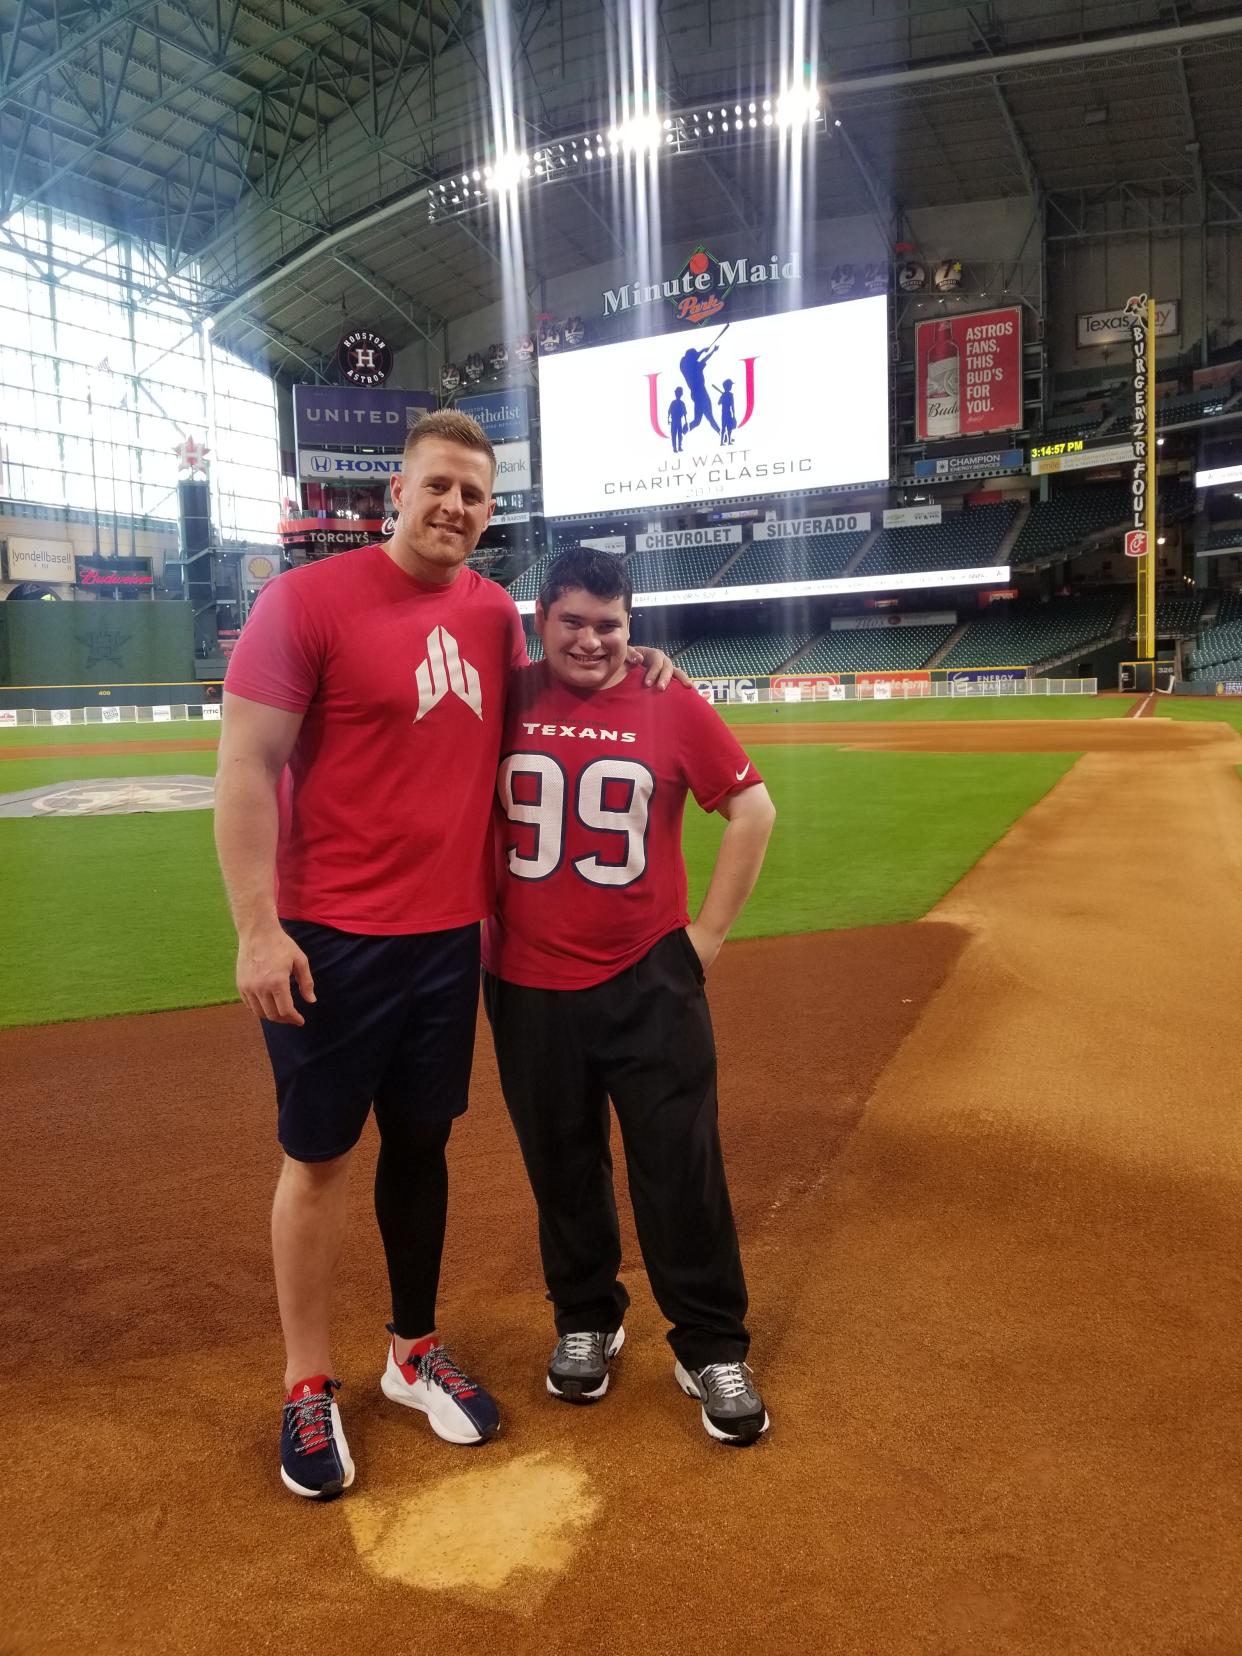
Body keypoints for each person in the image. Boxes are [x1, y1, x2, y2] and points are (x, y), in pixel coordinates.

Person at [215, 413, 678, 1501]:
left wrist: (636, 665)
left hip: (442, 944)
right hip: (327, 938)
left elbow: (543, 701)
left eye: (475, 494)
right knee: (320, 1158)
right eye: (439, 487)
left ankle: (412, 1350)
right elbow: (244, 766)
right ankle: (305, 1382)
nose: (456, 508)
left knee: (421, 1150)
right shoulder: (305, 602)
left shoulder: (486, 613)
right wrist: (255, 924)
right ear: (398, 492)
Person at [481, 549, 776, 1445]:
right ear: (542, 619)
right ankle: (587, 1319)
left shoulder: (667, 696)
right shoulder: (505, 698)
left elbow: (753, 811)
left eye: (610, 623)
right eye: (574, 620)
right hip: (526, 982)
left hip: (648, 976)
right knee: (560, 1166)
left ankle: (710, 1344)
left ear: (631, 626)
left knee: (679, 1167)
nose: (593, 638)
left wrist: (707, 938)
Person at [667, 387, 688, 453]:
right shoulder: (673, 403)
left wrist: (686, 421)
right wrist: (668, 419)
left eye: (679, 393)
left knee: (679, 435)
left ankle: (679, 447)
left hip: (679, 421)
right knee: (674, 434)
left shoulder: (682, 403)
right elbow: (669, 411)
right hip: (674, 421)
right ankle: (675, 448)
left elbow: (684, 413)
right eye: (677, 393)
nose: (677, 394)